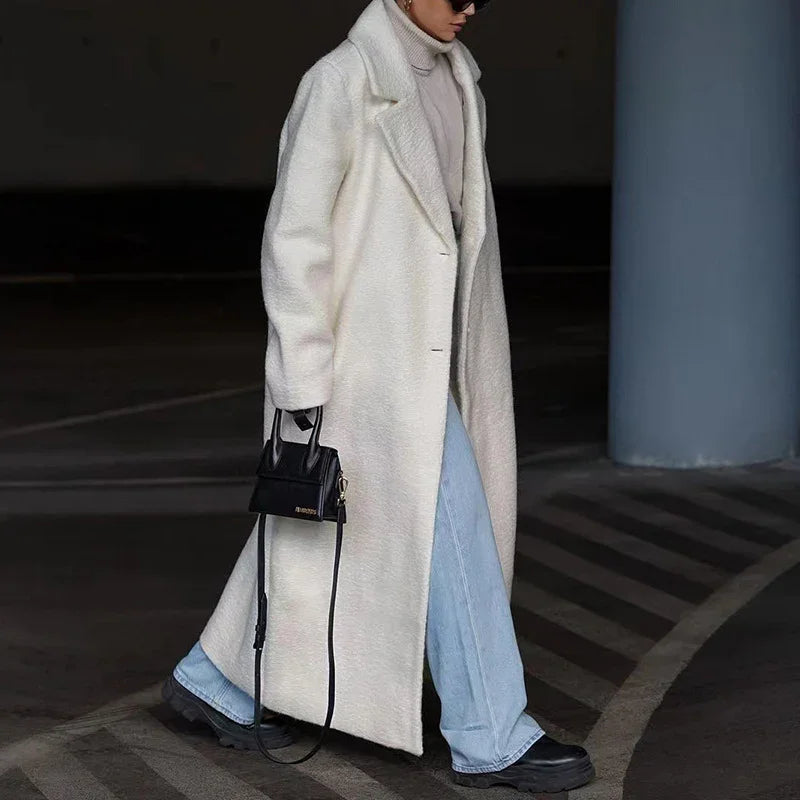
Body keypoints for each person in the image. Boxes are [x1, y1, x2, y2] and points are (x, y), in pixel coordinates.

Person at [162, 0, 595, 793]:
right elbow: (293, 238)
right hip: (367, 369)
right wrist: (303, 377)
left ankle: (214, 678)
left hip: (434, 363)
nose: (469, 8)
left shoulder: (459, 83)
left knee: (317, 535)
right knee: (452, 525)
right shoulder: (341, 81)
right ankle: (491, 732)